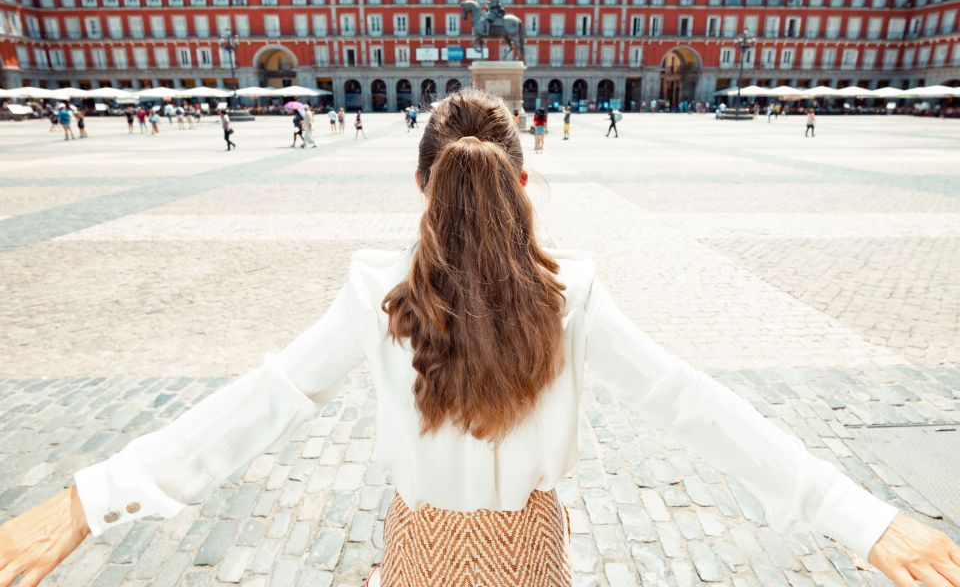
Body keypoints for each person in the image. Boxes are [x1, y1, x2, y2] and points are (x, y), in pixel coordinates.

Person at [2, 88, 955, 587]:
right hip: (531, 557)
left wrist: (93, 497)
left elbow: (263, 401)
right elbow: (691, 405)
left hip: (416, 554)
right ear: (524, 185)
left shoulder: (378, 291)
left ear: (423, 188)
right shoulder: (572, 294)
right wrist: (860, 519)